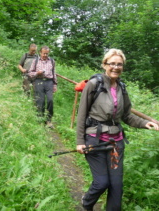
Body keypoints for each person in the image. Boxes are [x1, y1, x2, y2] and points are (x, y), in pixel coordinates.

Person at [76, 48, 159, 211]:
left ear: (123, 66)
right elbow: (82, 114)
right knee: (101, 182)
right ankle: (87, 202)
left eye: (119, 64)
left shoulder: (122, 87)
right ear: (104, 65)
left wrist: (145, 123)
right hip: (95, 141)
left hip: (115, 144)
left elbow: (127, 115)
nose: (115, 67)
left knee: (116, 185)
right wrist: (80, 142)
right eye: (112, 63)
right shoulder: (94, 84)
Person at [28, 46, 57, 128]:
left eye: (47, 53)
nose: (45, 55)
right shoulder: (36, 60)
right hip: (39, 81)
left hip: (49, 82)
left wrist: (55, 84)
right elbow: (30, 72)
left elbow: (54, 73)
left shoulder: (51, 61)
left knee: (50, 100)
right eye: (44, 53)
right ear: (40, 52)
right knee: (40, 101)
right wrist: (37, 73)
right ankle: (40, 119)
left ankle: (48, 120)